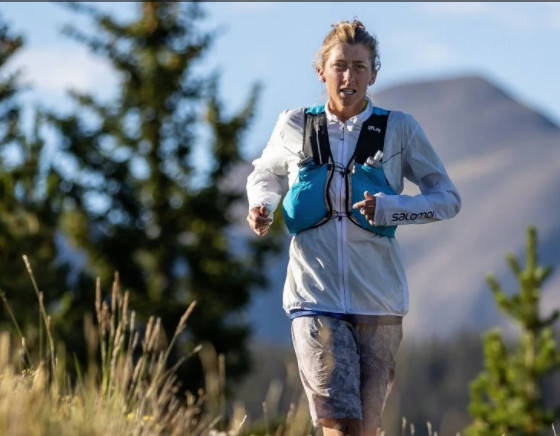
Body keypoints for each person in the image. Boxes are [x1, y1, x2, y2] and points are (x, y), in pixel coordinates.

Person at [246, 19, 461, 436]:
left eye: (360, 67)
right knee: (341, 426)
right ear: (321, 71)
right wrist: (262, 204)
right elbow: (265, 173)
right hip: (314, 298)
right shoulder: (294, 124)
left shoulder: (399, 129)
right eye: (340, 66)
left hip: (379, 303)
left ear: (373, 74)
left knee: (365, 428)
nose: (349, 77)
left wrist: (392, 208)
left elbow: (447, 199)